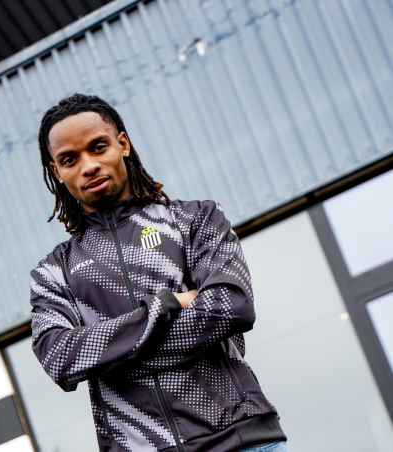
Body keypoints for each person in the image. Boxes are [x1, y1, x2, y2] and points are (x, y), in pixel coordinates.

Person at [30, 93, 288, 452]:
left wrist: (111, 359)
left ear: (122, 144)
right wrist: (166, 306)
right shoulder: (54, 272)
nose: (88, 166)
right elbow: (60, 358)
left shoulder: (195, 219)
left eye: (98, 147)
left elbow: (231, 306)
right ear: (57, 172)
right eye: (70, 159)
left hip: (241, 439)